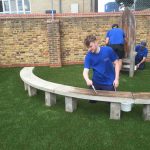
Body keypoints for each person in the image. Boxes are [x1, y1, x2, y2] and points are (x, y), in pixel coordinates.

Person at [83, 35, 120, 100]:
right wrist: (87, 79)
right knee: (92, 101)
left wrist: (116, 79)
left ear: (96, 42)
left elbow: (117, 63)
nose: (89, 49)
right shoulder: (88, 56)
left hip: (109, 82)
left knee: (111, 102)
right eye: (88, 47)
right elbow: (85, 71)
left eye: (91, 46)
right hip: (96, 82)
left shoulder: (108, 50)